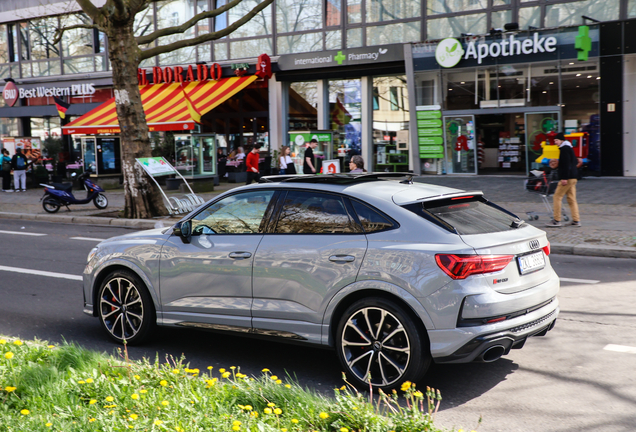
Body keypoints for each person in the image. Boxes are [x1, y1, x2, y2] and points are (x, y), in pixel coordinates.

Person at [546, 133, 581, 227]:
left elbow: (566, 165)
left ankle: (556, 220)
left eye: (556, 140)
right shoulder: (569, 148)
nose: (555, 142)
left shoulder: (564, 149)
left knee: (557, 197)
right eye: (554, 141)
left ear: (561, 140)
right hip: (573, 177)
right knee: (571, 199)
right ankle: (576, 220)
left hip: (567, 177)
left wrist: (564, 178)